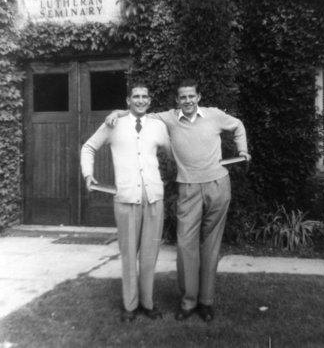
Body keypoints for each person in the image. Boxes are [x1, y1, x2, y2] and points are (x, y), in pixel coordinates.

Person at [106, 78, 251, 322]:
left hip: (218, 185)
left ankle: (206, 302)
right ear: (177, 100)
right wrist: (118, 111)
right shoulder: (169, 118)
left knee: (211, 245)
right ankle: (188, 302)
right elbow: (140, 112)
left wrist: (243, 150)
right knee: (185, 246)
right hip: (188, 188)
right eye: (182, 97)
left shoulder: (214, 115)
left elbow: (238, 126)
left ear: (199, 97)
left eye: (191, 96)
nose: (187, 101)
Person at [81, 83, 172, 323]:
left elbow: (174, 155)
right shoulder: (114, 124)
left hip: (154, 198)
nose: (140, 100)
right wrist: (88, 174)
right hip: (126, 199)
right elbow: (88, 147)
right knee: (129, 254)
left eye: (144, 96)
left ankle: (148, 303)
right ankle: (130, 306)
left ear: (150, 100)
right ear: (128, 100)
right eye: (136, 97)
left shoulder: (158, 126)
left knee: (150, 255)